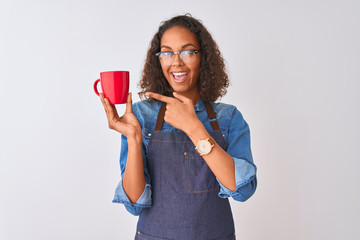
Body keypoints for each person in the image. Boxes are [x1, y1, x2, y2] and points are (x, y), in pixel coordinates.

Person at [99, 14, 257, 240]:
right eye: (167, 52)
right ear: (158, 59)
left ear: (203, 57)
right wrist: (133, 139)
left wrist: (194, 127)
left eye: (187, 51)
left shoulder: (228, 118)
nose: (176, 62)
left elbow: (243, 190)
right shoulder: (140, 117)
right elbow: (134, 204)